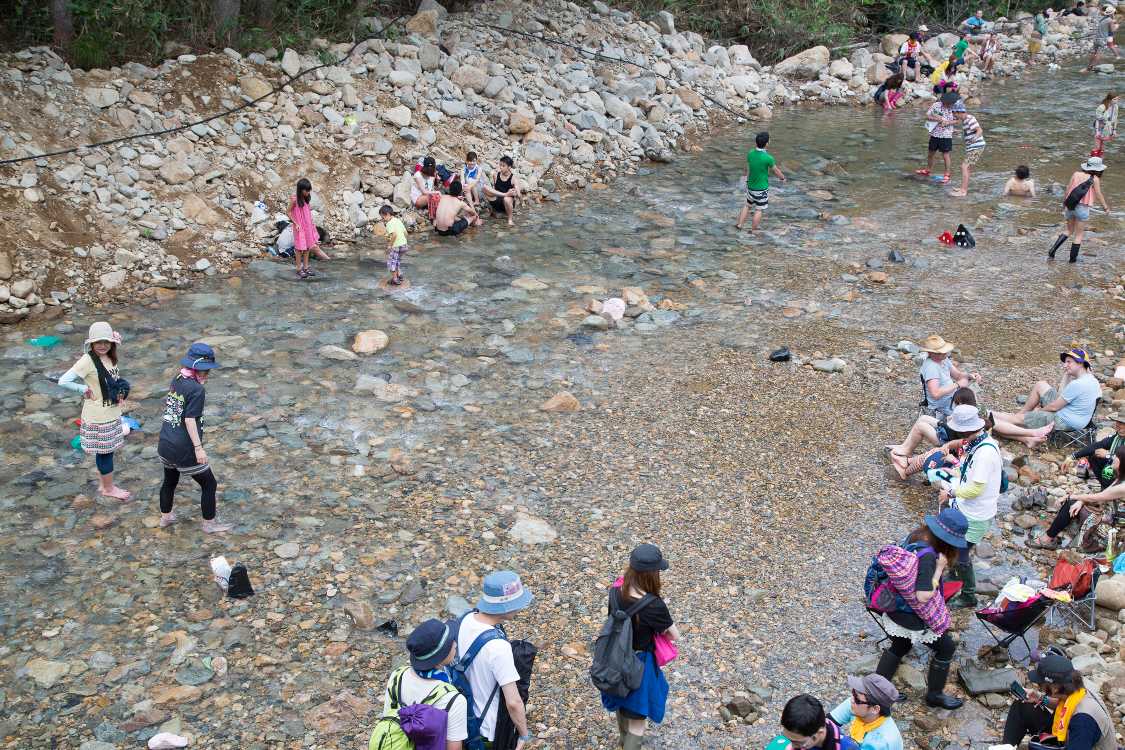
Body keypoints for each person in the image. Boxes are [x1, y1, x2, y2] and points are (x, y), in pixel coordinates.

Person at [872, 507, 969, 710]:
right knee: (946, 647)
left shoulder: (916, 536)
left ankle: (878, 690)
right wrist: (940, 568)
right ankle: (934, 695)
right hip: (911, 614)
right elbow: (922, 596)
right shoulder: (928, 557)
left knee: (900, 645)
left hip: (895, 604)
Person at [599, 544, 679, 749]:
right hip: (639, 665)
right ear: (652, 575)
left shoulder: (615, 591)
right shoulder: (654, 605)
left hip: (614, 658)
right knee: (638, 723)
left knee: (621, 699)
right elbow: (674, 635)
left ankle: (623, 741)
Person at [157, 343, 231, 533]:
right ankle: (209, 525)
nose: (207, 374)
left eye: (208, 371)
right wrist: (198, 448)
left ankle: (166, 518)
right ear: (196, 368)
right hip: (183, 449)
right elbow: (189, 419)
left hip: (165, 443)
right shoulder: (197, 390)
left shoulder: (178, 378)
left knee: (170, 481)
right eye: (205, 370)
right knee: (209, 484)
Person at [455, 571, 532, 750]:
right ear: (505, 607)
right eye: (517, 604)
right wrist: (524, 735)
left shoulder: (466, 619)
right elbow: (513, 702)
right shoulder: (498, 647)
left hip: (464, 717)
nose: (520, 608)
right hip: (486, 728)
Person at [936, 405, 1002, 609]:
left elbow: (976, 489)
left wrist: (951, 493)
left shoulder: (985, 453)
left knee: (962, 554)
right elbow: (971, 477)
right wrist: (956, 475)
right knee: (957, 549)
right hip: (969, 509)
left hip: (976, 513)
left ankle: (968, 595)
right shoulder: (979, 443)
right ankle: (956, 576)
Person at [58, 322, 131, 501]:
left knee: (104, 452)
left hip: (110, 412)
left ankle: (103, 484)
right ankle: (109, 489)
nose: (102, 345)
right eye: (98, 342)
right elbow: (63, 381)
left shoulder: (109, 356)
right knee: (106, 454)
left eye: (106, 341)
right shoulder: (87, 360)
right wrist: (82, 389)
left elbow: (111, 379)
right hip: (99, 416)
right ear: (91, 343)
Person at [371, 618, 467, 749]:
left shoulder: (397, 676)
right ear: (440, 658)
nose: (455, 643)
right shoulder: (453, 699)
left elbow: (389, 717)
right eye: (451, 642)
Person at [1000, 652, 1116, 749]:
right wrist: (1039, 697)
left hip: (1077, 742)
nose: (1039, 686)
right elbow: (1064, 705)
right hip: (1066, 732)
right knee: (1022, 706)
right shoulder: (1074, 688)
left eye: (1040, 684)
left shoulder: (1083, 722)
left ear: (1055, 688)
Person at [1030, 443, 1125, 549]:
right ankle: (1053, 535)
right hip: (1111, 516)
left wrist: (1073, 497)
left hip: (1116, 531)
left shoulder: (1122, 487)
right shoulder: (1120, 479)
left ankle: (1047, 539)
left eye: (1116, 457)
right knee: (1075, 503)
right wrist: (1081, 500)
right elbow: (1102, 497)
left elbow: (1099, 497)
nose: (1113, 458)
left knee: (1071, 503)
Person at [993, 349, 1102, 437]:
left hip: (1065, 421)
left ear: (1080, 363)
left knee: (1018, 419)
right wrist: (1067, 375)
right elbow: (1060, 395)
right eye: (1065, 362)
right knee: (1041, 385)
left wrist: (1038, 412)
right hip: (1077, 417)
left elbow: (1054, 407)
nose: (1064, 365)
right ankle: (1020, 415)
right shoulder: (1092, 380)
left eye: (1069, 362)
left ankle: (990, 416)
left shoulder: (1078, 384)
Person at [888, 387, 983, 480]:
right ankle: (907, 460)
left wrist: (953, 460)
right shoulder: (971, 428)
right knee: (924, 423)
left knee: (930, 456)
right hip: (950, 444)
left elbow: (965, 468)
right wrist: (947, 445)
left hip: (956, 466)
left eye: (957, 403)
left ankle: (905, 468)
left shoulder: (977, 447)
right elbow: (960, 441)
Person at [1051, 156, 1111, 262]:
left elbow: (1068, 189)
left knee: (1069, 230)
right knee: (1079, 235)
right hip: (1082, 208)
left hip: (1070, 205)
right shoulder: (1095, 179)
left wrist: (1064, 203)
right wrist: (1105, 207)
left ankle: (1052, 250)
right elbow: (1098, 194)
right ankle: (1072, 260)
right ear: (1098, 169)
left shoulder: (1076, 174)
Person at [830, 674, 903, 750]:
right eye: (854, 692)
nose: (852, 699)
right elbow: (826, 722)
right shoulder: (857, 705)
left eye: (857, 699)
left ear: (875, 709)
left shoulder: (881, 742)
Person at [736, 131, 787, 231]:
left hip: (750, 186)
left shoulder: (750, 153)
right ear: (767, 144)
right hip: (761, 189)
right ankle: (753, 231)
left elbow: (748, 169)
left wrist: (746, 180)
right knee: (759, 209)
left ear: (756, 142)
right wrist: (783, 178)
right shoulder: (768, 158)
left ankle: (740, 224)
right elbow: (776, 171)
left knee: (747, 205)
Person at [1061, 411, 1125, 489]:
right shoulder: (1117, 437)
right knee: (1095, 456)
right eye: (1118, 422)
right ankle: (1106, 489)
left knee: (1110, 466)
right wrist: (1072, 456)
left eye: (1123, 423)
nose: (1118, 427)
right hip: (1118, 466)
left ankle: (1117, 490)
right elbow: (1097, 445)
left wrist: (1109, 455)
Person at [775, 694, 858, 750]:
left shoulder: (847, 747)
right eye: (790, 740)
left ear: (819, 733)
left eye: (797, 742)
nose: (792, 746)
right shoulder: (815, 728)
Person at [916, 91, 959, 183]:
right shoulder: (936, 105)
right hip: (934, 133)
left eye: (949, 104)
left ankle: (947, 174)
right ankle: (928, 170)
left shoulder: (955, 108)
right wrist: (937, 119)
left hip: (946, 135)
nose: (947, 105)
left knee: (945, 155)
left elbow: (957, 120)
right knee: (930, 153)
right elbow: (927, 116)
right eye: (946, 103)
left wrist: (948, 123)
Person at [950, 101, 986, 197]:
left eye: (954, 113)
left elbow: (979, 130)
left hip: (977, 147)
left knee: (964, 167)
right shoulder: (965, 120)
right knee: (967, 167)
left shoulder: (970, 119)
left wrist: (974, 138)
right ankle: (963, 188)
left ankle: (963, 191)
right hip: (973, 148)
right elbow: (968, 132)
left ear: (959, 112)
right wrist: (956, 132)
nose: (954, 116)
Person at [288, 178, 318, 279]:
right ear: (300, 189)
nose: (308, 192)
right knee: (299, 248)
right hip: (299, 227)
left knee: (308, 247)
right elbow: (288, 212)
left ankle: (305, 267)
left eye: (309, 190)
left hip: (307, 226)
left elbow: (307, 213)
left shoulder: (306, 199)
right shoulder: (294, 200)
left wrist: (312, 224)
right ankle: (298, 269)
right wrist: (295, 223)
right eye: (307, 190)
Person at [481, 156, 521, 226]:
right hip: (497, 200)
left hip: (506, 205)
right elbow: (495, 189)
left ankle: (510, 219)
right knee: (484, 187)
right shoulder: (496, 175)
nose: (501, 167)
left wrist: (515, 193)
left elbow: (518, 194)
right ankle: (504, 195)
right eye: (500, 165)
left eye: (503, 166)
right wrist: (504, 194)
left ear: (509, 167)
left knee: (506, 199)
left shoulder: (513, 179)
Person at [379, 205, 409, 286]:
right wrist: (404, 242)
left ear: (388, 214)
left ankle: (395, 279)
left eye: (383, 217)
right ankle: (400, 275)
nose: (383, 219)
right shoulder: (398, 221)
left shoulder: (389, 223)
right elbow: (406, 233)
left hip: (396, 246)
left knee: (391, 263)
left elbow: (394, 235)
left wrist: (390, 245)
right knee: (397, 260)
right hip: (404, 245)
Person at [1086, 6, 1118, 71]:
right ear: (1112, 13)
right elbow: (1112, 30)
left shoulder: (1102, 19)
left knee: (1094, 53)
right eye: (1113, 13)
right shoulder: (1110, 20)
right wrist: (1116, 26)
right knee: (1099, 54)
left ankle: (1089, 65)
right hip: (1102, 40)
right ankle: (1091, 67)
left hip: (1096, 38)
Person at [1093, 92, 1119, 156]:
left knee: (1102, 146)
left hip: (1108, 127)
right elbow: (1097, 120)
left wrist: (1114, 130)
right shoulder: (1102, 107)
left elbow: (1115, 119)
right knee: (1097, 146)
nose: (1116, 100)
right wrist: (1097, 131)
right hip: (1099, 127)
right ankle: (1093, 159)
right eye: (1115, 99)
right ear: (1110, 99)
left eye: (1117, 99)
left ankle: (1100, 159)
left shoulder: (1116, 107)